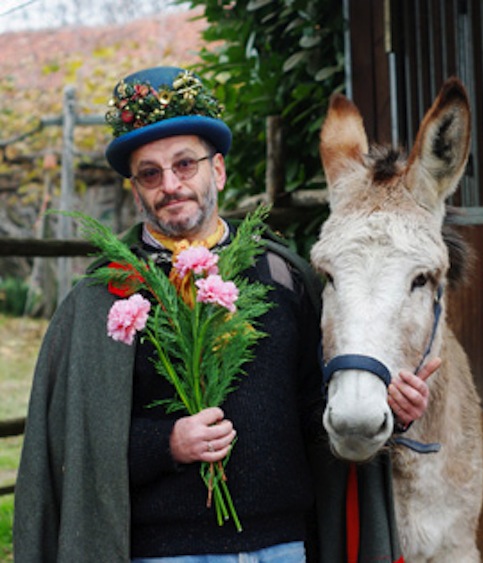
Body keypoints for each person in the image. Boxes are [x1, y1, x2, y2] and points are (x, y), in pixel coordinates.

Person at [13, 66, 435, 563]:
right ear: (135, 190)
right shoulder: (100, 297)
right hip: (160, 554)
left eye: (185, 164)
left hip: (282, 549)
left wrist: (392, 413)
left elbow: (317, 419)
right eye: (150, 172)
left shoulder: (285, 277)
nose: (170, 184)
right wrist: (167, 443)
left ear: (218, 171)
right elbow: (77, 451)